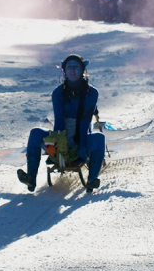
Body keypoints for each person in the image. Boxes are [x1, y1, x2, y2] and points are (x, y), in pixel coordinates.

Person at [17, 54, 106, 192]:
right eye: (69, 67)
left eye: (76, 67)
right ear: (64, 71)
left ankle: (92, 179)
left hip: (81, 137)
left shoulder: (92, 93)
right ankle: (31, 178)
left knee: (99, 137)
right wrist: (58, 145)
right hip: (62, 134)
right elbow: (59, 120)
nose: (72, 70)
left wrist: (80, 148)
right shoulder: (58, 93)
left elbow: (84, 121)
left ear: (82, 70)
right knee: (35, 132)